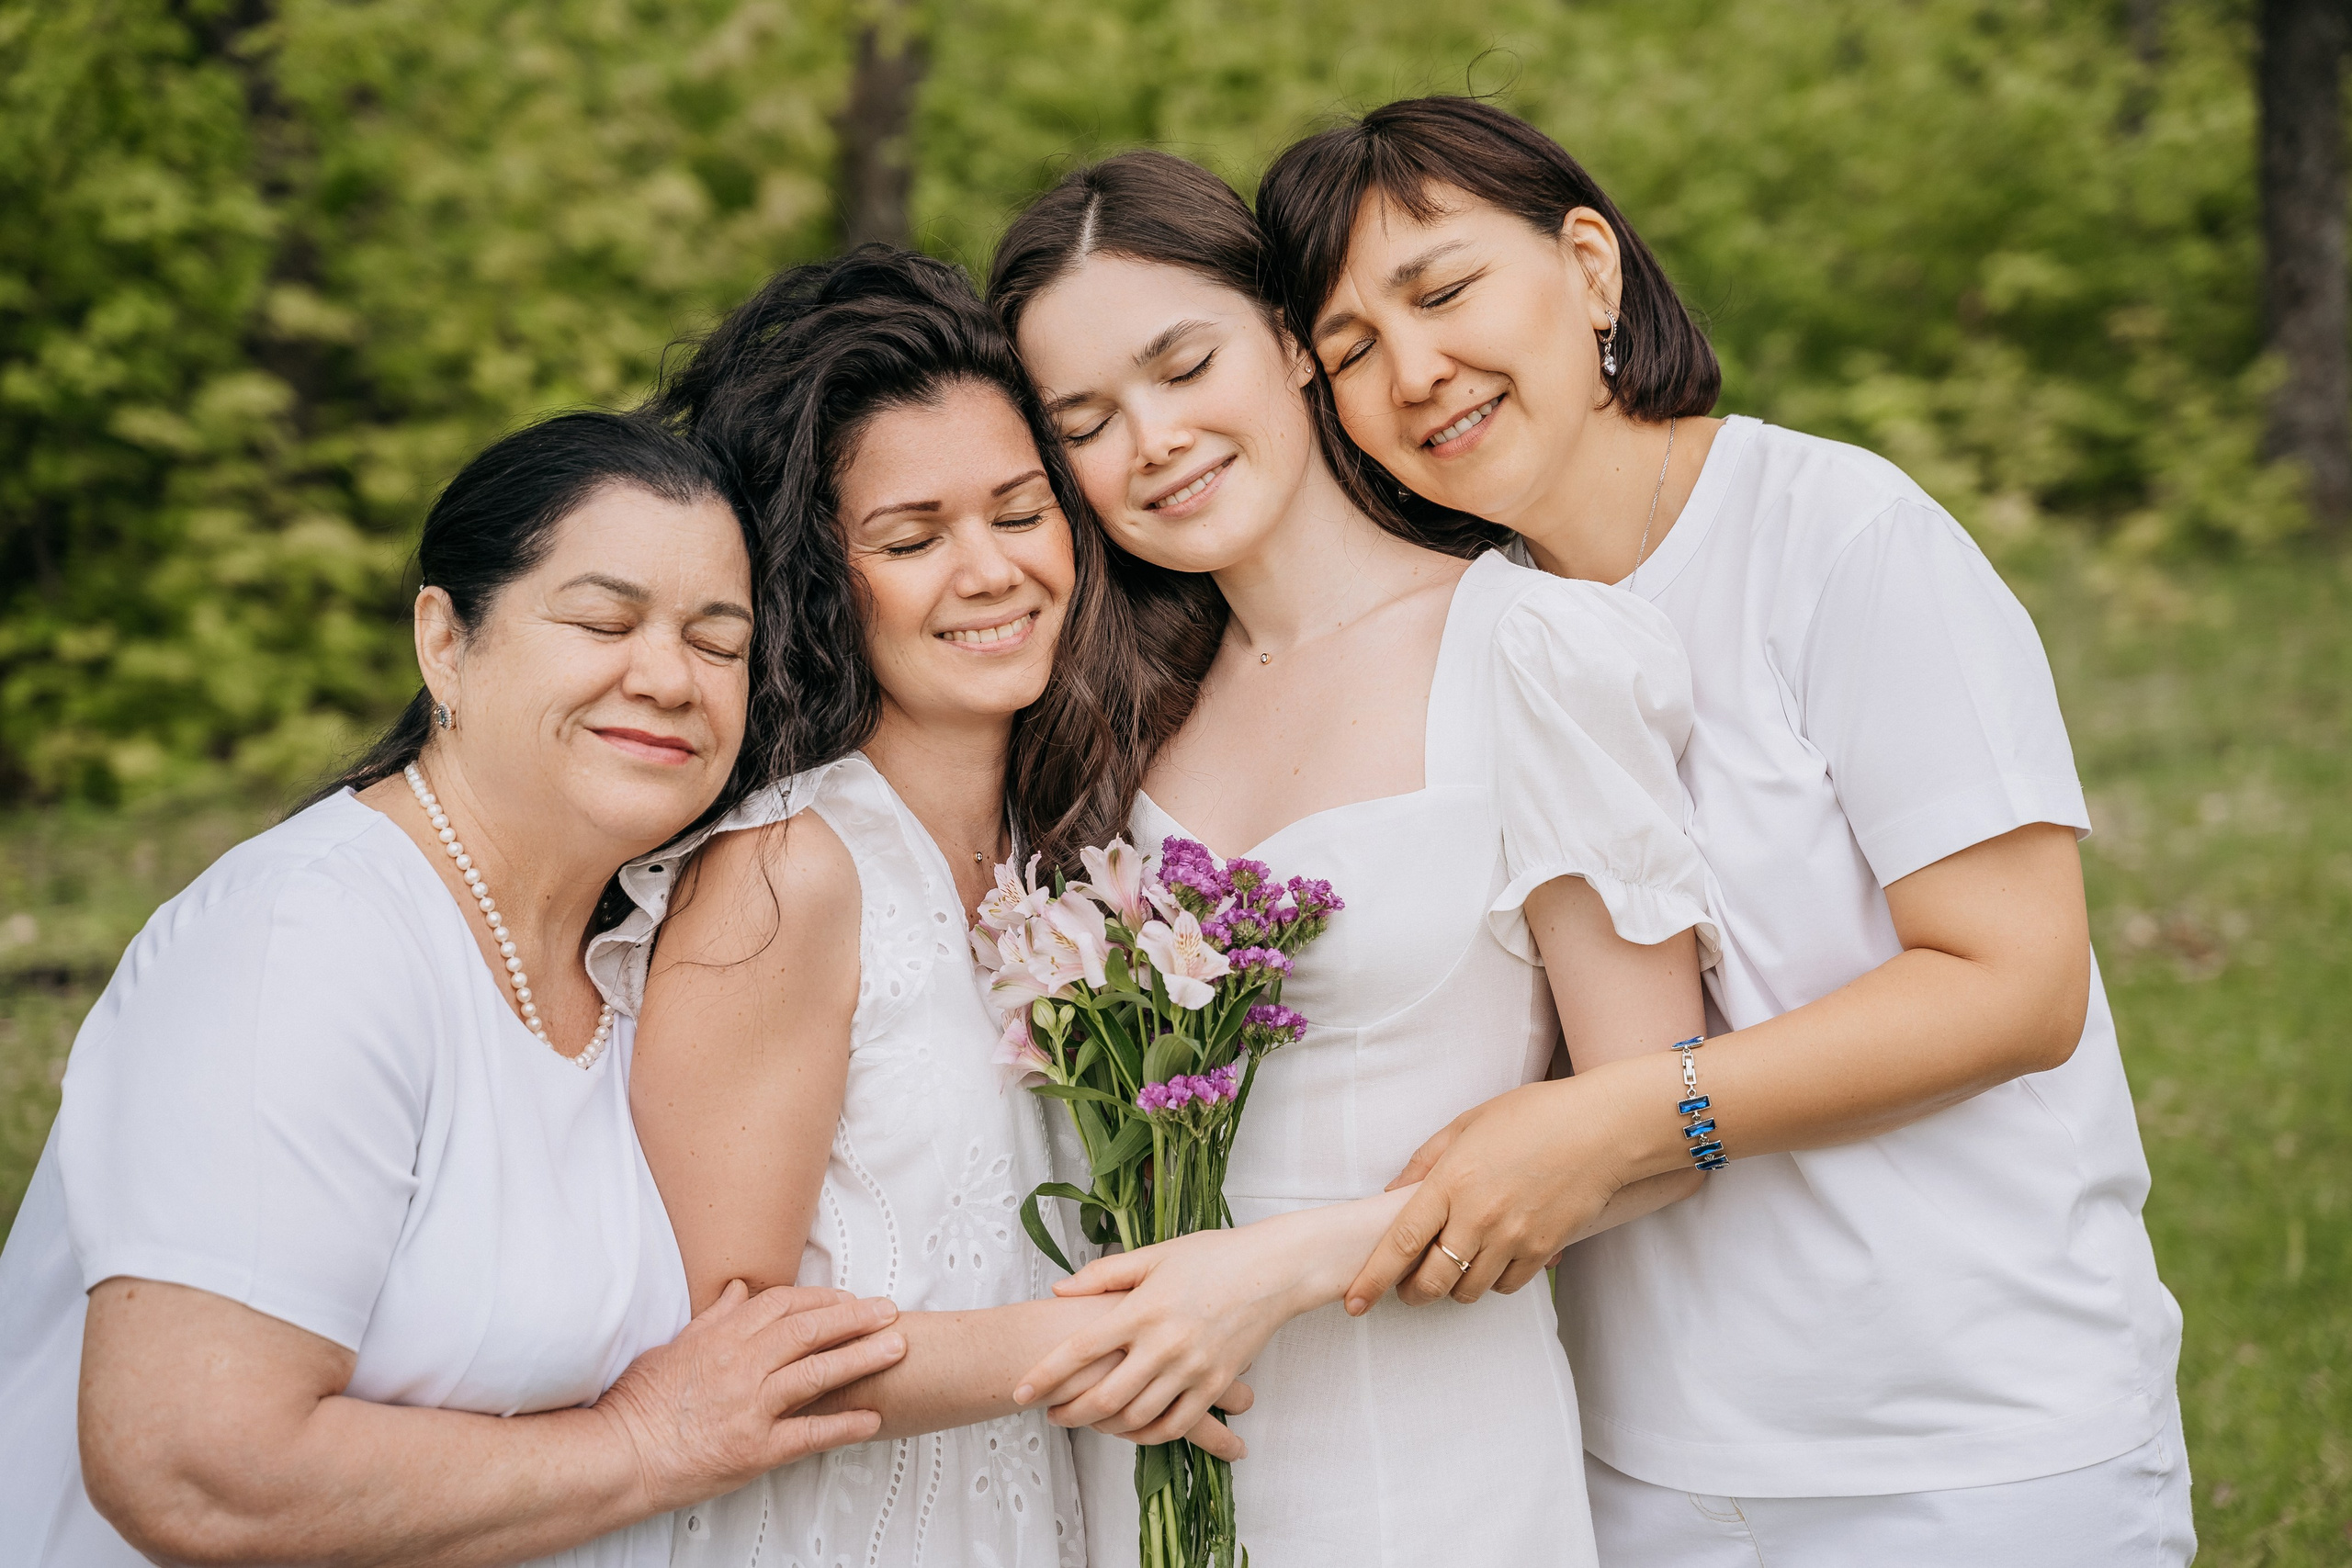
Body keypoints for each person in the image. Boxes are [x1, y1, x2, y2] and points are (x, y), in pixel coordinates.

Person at [1255, 96, 2193, 1564]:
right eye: (1351, 350)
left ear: (1590, 267)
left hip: (1972, 1443)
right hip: (1639, 1462)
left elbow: (2017, 983)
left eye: (1442, 292)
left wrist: (1622, 1116)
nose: (1414, 370)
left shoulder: (1837, 533)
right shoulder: (1458, 632)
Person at [0, 411, 910, 1568]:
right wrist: (648, 1443)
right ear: (444, 641)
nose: (668, 677)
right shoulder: (307, 938)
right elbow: (193, 1466)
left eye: (717, 643)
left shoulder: (638, 959)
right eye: (603, 621)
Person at [986, 151, 1723, 1566]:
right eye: (1086, 421)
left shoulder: (1525, 650)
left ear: (1290, 344)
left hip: (1425, 1477)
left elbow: (1651, 1131)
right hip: (1141, 1472)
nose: (1154, 439)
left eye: (1184, 366)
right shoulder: (1112, 713)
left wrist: (1275, 1268)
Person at [604, 250, 1268, 1568]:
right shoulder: (788, 873)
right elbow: (722, 1361)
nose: (990, 571)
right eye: (912, 541)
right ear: (816, 579)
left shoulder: (1064, 853)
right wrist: (1121, 1337)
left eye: (1020, 512)